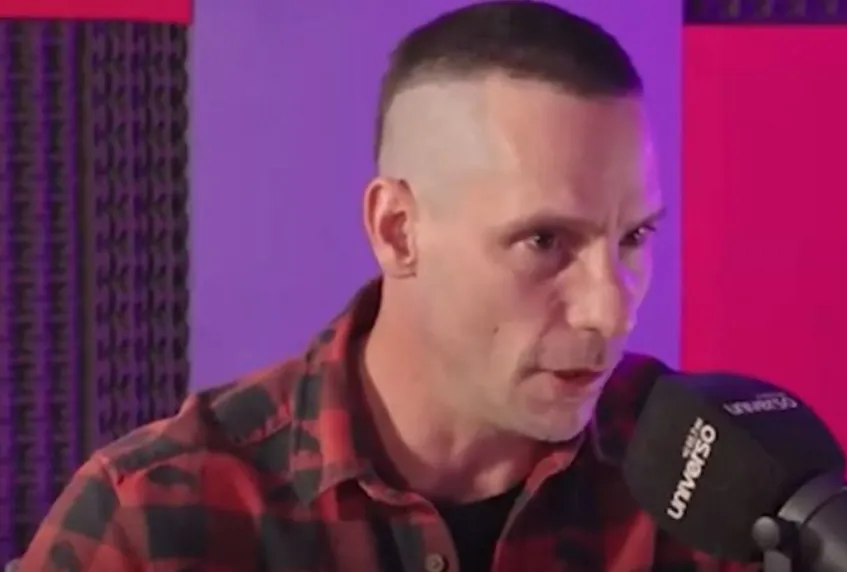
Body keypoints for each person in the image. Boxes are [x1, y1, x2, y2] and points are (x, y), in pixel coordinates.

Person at [21, 2, 758, 570]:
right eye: (544, 241)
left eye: (634, 238)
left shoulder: (713, 482)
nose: (611, 310)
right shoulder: (150, 518)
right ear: (399, 230)